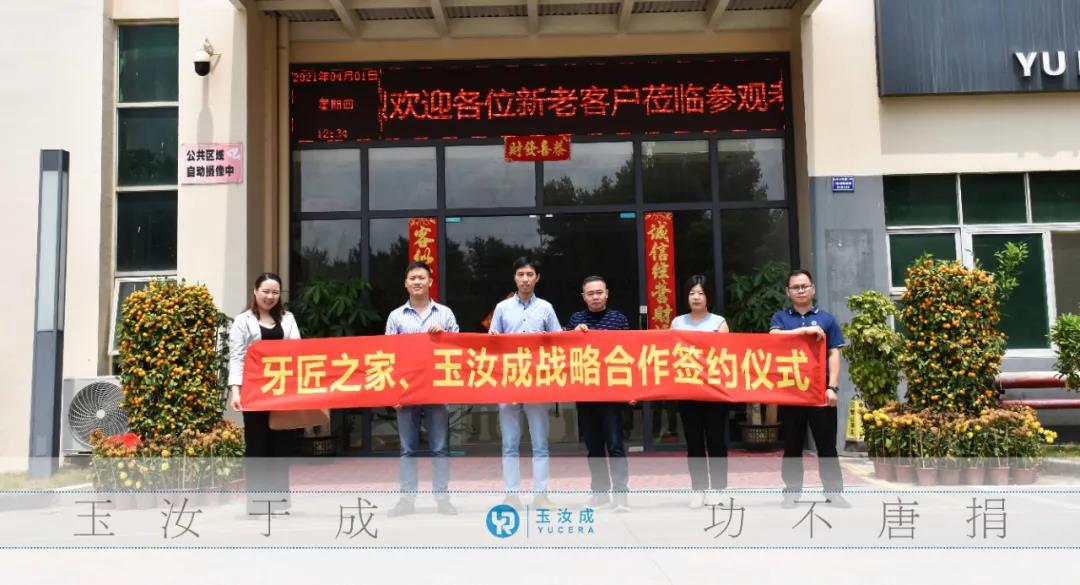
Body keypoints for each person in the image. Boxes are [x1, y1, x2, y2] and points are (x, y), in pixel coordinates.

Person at [384, 261, 460, 517]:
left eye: (421, 278)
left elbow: (458, 348)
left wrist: (444, 336)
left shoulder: (445, 314)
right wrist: (393, 392)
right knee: (407, 449)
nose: (417, 282)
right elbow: (388, 355)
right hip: (406, 391)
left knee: (440, 448)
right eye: (412, 278)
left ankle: (442, 498)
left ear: (430, 282)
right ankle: (407, 500)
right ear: (406, 283)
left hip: (437, 388)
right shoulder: (396, 316)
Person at [769, 269, 849, 508]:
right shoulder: (780, 318)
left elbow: (834, 354)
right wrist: (804, 331)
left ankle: (833, 492)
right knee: (792, 444)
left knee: (826, 444)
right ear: (788, 292)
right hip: (790, 392)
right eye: (795, 287)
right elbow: (774, 338)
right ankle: (792, 492)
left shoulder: (827, 319)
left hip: (820, 391)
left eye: (804, 286)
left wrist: (832, 387)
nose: (801, 290)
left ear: (813, 288)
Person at [489, 256, 561, 508]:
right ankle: (511, 494)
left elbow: (560, 342)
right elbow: (490, 344)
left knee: (540, 443)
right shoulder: (502, 308)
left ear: (537, 278)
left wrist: (550, 339)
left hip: (537, 381)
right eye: (520, 274)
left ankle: (541, 495)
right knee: (509, 443)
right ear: (515, 277)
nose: (525, 279)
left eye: (530, 274)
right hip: (509, 381)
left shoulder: (546, 308)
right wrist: (494, 337)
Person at [228, 272, 301, 513]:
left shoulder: (288, 318)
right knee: (257, 446)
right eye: (266, 291)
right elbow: (237, 357)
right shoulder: (243, 321)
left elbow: (298, 351)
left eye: (275, 292)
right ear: (255, 292)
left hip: (282, 392)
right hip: (254, 393)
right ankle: (257, 504)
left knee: (281, 446)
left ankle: (279, 502)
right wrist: (235, 391)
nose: (270, 296)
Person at [565, 275, 631, 512]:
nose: (595, 297)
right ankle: (600, 495)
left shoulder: (619, 319)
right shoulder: (576, 319)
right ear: (583, 296)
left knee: (615, 446)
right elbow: (565, 351)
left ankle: (621, 496)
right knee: (594, 448)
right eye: (590, 293)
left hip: (612, 394)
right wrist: (573, 334)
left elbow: (630, 354)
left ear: (607, 293)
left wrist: (631, 390)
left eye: (599, 292)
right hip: (586, 393)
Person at [670, 274, 731, 509]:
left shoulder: (719, 322)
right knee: (694, 443)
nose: (696, 297)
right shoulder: (677, 323)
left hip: (714, 393)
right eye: (692, 293)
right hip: (688, 392)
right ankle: (698, 489)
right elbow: (671, 355)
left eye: (701, 293)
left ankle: (718, 489)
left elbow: (726, 356)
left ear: (708, 296)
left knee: (716, 442)